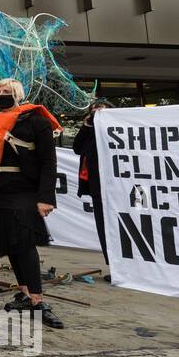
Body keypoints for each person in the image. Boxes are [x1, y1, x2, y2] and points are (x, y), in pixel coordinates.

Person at [0, 77, 63, 329]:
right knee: (10, 244)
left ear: (19, 95)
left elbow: (48, 162)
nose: (2, 94)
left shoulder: (35, 120)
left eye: (7, 91)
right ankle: (25, 293)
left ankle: (38, 301)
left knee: (24, 244)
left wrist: (46, 198)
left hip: (23, 189)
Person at [73, 98, 111, 278]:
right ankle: (113, 266)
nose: (97, 114)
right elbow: (77, 148)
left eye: (101, 111)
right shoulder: (89, 131)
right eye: (94, 110)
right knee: (103, 227)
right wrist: (87, 126)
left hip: (115, 188)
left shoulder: (116, 130)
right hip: (96, 187)